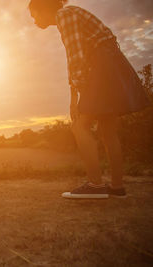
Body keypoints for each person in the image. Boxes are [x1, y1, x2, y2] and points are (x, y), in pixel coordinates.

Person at [28, 0, 150, 198]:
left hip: (100, 66)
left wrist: (76, 96)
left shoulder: (64, 15)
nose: (34, 20)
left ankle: (95, 185)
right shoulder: (72, 13)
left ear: (44, 8)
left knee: (80, 126)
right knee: (107, 130)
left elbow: (75, 55)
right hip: (112, 64)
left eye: (34, 14)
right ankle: (117, 188)